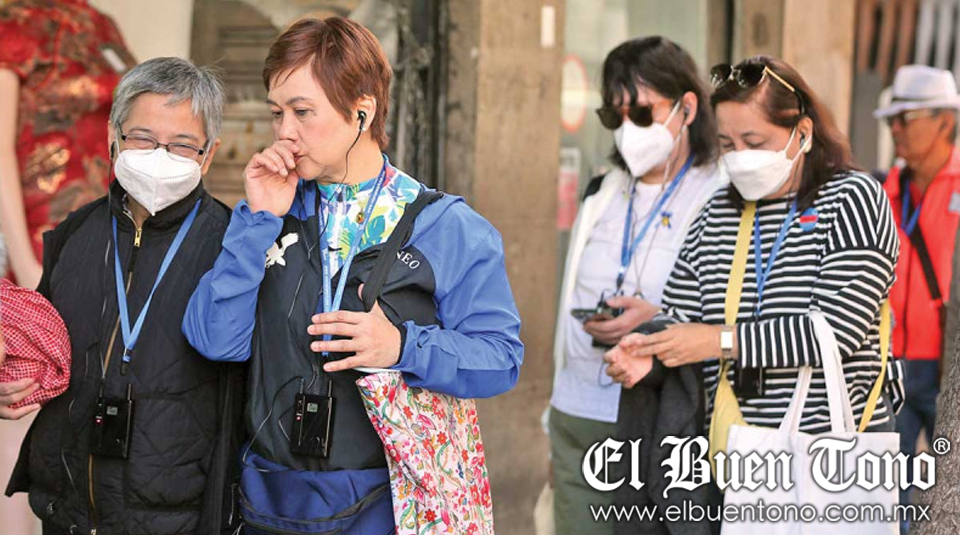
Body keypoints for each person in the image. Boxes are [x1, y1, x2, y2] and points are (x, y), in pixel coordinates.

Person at [181, 17, 523, 534]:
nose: (285, 132)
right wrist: (258, 221)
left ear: (362, 112)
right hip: (268, 500)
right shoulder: (271, 214)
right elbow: (215, 340)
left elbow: (501, 359)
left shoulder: (447, 226)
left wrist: (402, 346)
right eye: (277, 113)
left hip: (385, 504)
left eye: (302, 111)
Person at [606, 55, 903, 461]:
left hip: (833, 455)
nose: (740, 156)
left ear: (802, 133)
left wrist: (718, 341)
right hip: (736, 452)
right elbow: (681, 315)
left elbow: (835, 332)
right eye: (728, 145)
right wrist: (649, 351)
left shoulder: (853, 199)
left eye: (755, 142)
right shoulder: (716, 214)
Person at [1, 57, 245, 535]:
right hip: (67, 513)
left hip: (175, 520)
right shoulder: (74, 234)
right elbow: (38, 351)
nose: (160, 155)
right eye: (143, 138)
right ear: (114, 136)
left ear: (208, 154)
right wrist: (11, 379)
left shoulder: (232, 248)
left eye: (182, 144)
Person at [546, 36, 725, 535]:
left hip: (658, 419)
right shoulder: (603, 192)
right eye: (615, 115)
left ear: (687, 108)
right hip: (577, 411)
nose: (628, 130)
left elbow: (728, 315)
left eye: (643, 114)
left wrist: (655, 322)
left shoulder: (720, 194)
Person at [873, 64, 960, 532]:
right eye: (892, 120)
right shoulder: (883, 190)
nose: (895, 129)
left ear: (945, 122)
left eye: (906, 119)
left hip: (947, 364)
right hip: (890, 362)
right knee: (890, 494)